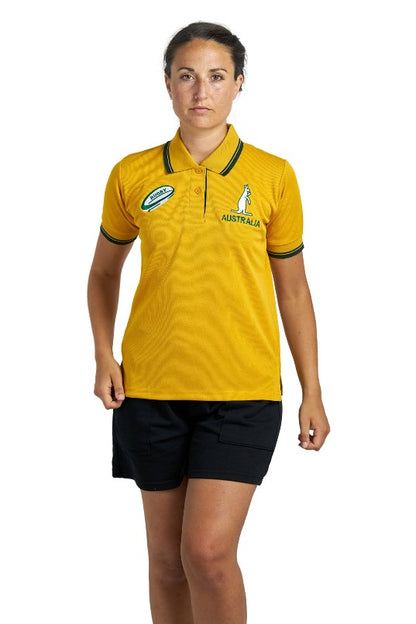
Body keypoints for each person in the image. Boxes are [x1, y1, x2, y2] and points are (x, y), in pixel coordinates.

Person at [87, 21, 330, 624]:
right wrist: (103, 354)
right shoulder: (132, 173)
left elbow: (294, 290)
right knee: (167, 561)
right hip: (150, 391)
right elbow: (103, 274)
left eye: (217, 77)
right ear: (167, 83)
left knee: (208, 555)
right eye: (187, 76)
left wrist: (313, 391)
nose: (201, 91)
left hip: (242, 393)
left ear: (239, 84)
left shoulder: (272, 176)